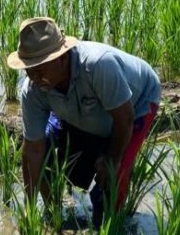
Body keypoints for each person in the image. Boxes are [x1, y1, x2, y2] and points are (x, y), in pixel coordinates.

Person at [10, 17, 162, 227]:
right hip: (87, 109)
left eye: (40, 68)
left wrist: (113, 157)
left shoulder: (99, 65)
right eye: (29, 68)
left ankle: (111, 224)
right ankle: (55, 217)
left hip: (135, 106)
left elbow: (124, 117)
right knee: (48, 154)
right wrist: (29, 210)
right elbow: (33, 150)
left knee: (107, 189)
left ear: (61, 58)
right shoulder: (34, 89)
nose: (33, 76)